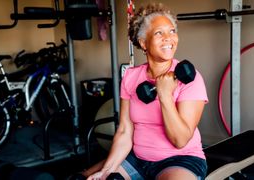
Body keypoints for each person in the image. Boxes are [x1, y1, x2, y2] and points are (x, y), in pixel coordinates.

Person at [82, 2, 208, 180]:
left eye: (172, 31)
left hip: (180, 160)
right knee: (86, 177)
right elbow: (125, 130)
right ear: (143, 43)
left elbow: (180, 140)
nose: (168, 38)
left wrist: (165, 96)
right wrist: (106, 171)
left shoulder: (190, 77)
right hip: (138, 159)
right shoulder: (131, 77)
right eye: (159, 33)